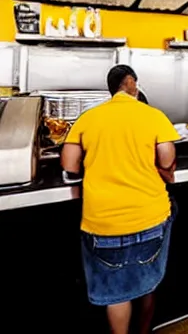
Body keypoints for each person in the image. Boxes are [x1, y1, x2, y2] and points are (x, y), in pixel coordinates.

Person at [61, 65, 180, 334]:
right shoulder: (153, 116)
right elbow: (167, 159)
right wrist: (162, 170)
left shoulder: (89, 118)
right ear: (133, 84)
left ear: (111, 88)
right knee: (147, 284)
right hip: (150, 218)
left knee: (117, 294)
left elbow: (70, 165)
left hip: (103, 224)